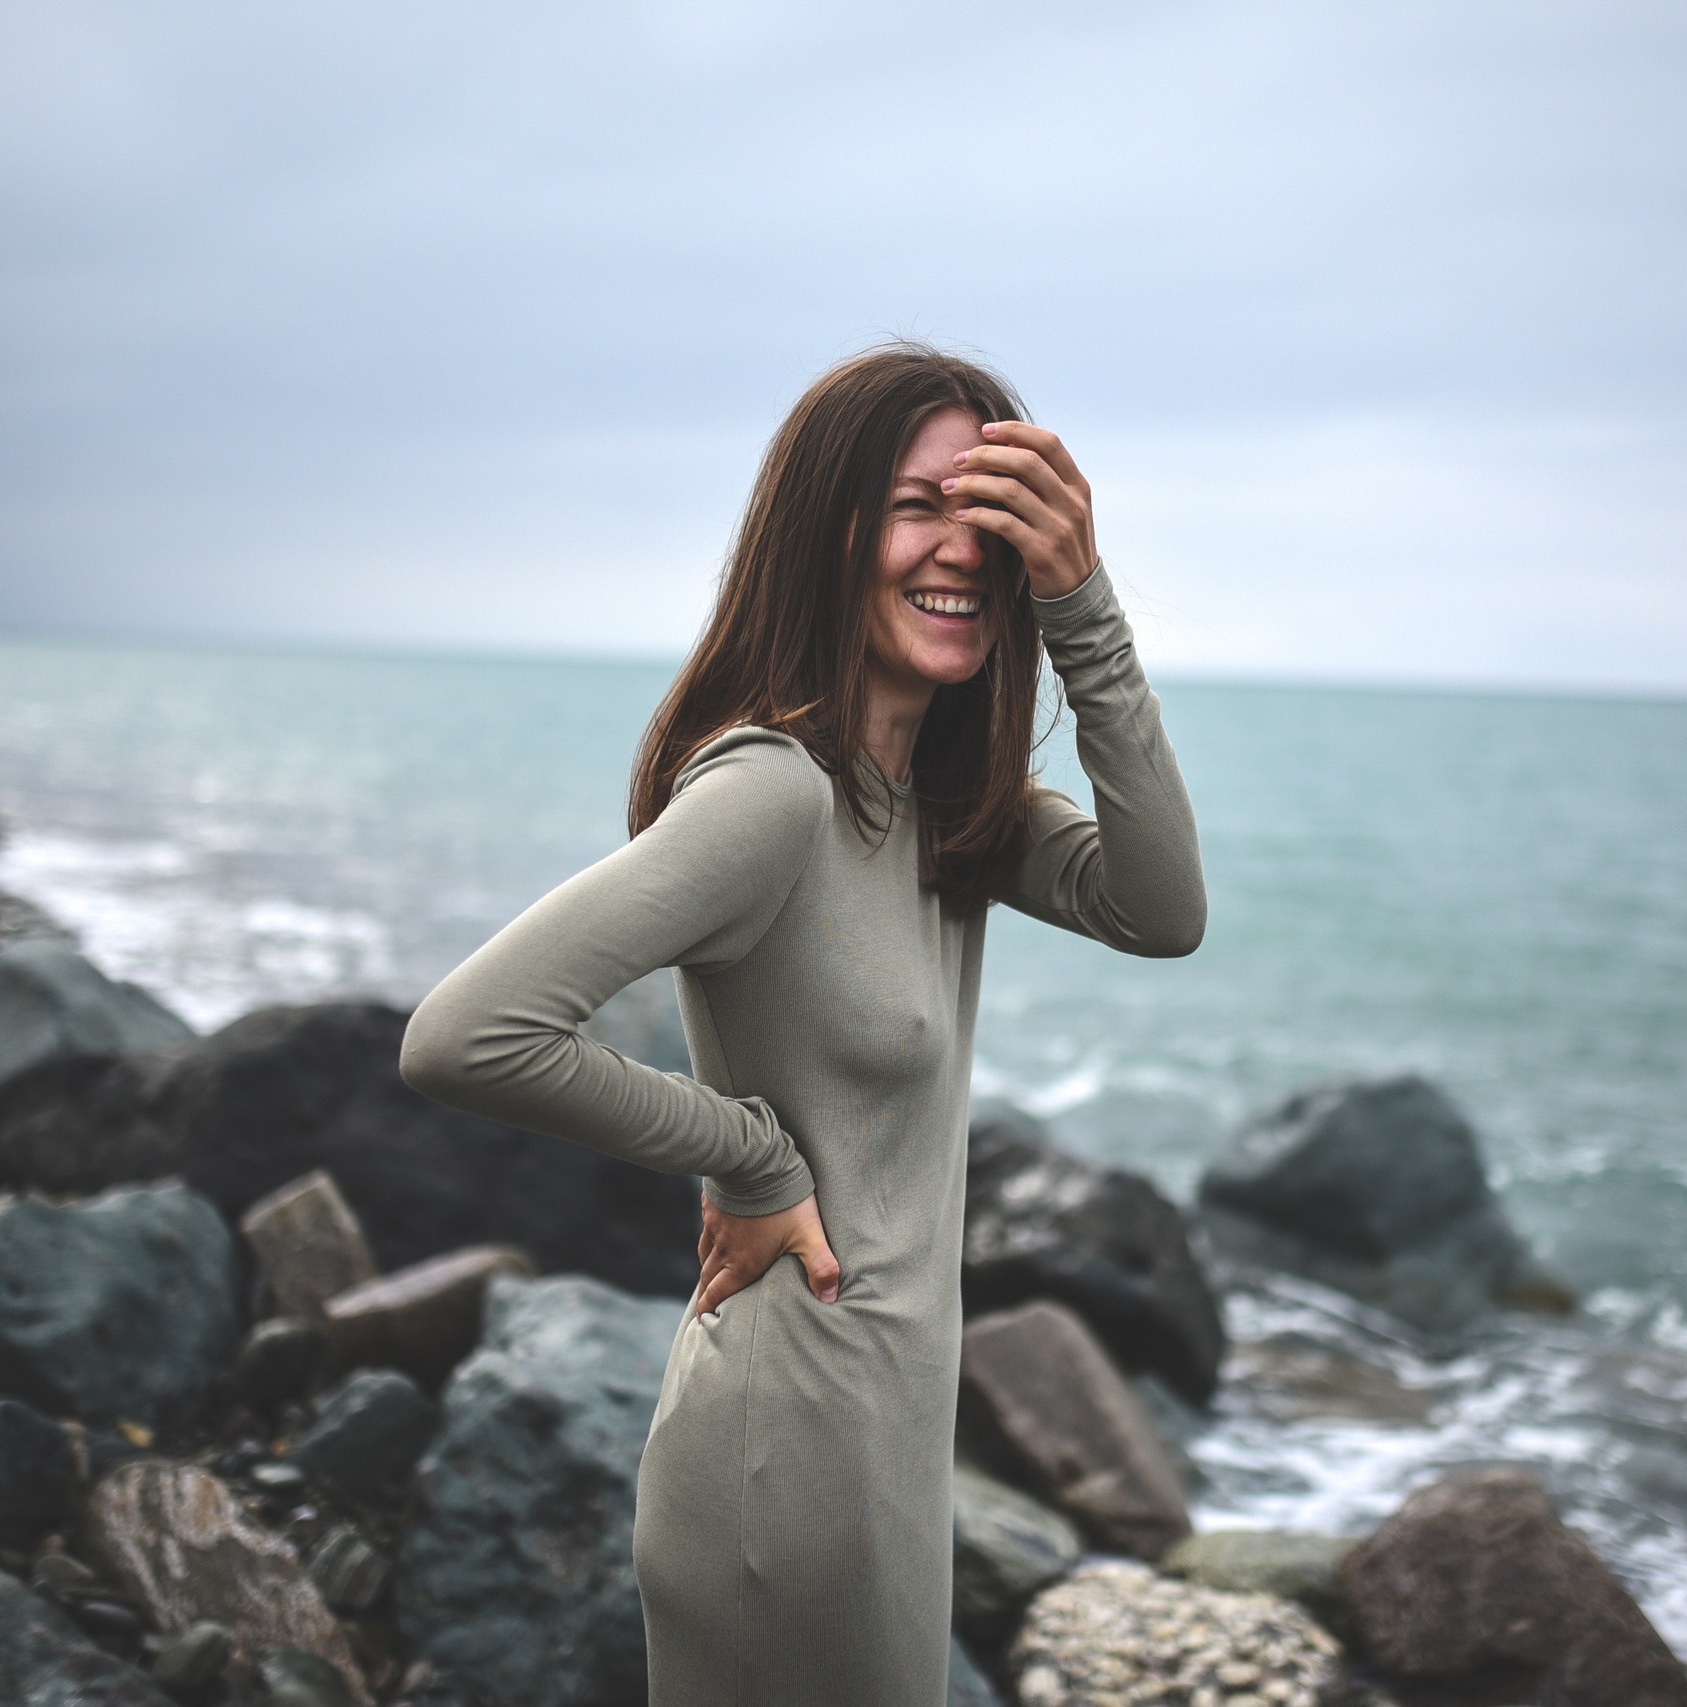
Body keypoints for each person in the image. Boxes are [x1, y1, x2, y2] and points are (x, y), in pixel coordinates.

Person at [399, 342, 1204, 1704]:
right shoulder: (774, 794)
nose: (963, 548)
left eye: (992, 514)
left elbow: (1163, 905)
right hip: (785, 1463)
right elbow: (469, 1033)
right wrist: (753, 1160)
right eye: (915, 504)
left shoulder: (952, 812)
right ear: (822, 533)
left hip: (883, 1455)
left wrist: (1082, 596)